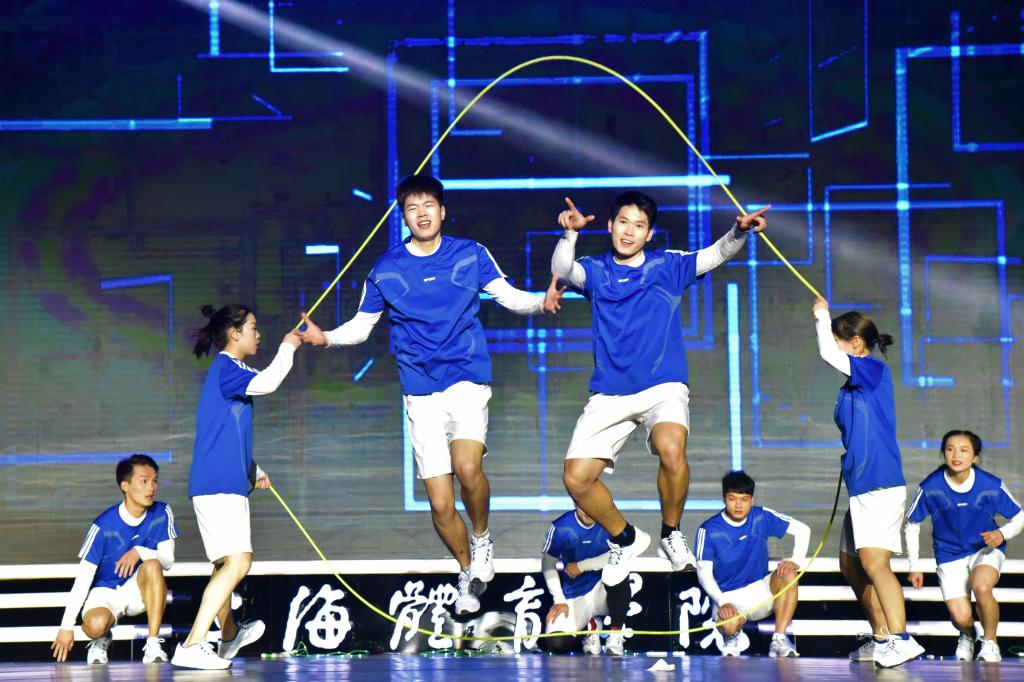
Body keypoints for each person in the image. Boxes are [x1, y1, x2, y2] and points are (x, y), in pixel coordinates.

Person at [299, 174, 561, 615]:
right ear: (404, 217)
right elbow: (362, 326)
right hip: (420, 391)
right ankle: (467, 571)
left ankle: (481, 539)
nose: (421, 214)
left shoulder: (470, 254)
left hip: (466, 379)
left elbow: (508, 296)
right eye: (411, 208)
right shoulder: (386, 269)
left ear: (442, 211)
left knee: (468, 467)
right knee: (440, 504)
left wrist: (541, 302)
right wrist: (326, 338)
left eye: (428, 206)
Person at [551, 192, 768, 585]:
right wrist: (570, 235)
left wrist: (739, 232)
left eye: (638, 225)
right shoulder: (596, 270)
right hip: (610, 392)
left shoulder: (667, 265)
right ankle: (626, 538)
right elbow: (563, 270)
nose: (628, 231)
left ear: (649, 234)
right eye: (622, 222)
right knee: (576, 479)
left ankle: (671, 533)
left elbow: (714, 255)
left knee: (671, 448)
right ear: (610, 225)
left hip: (662, 384)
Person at [171, 304, 303, 670]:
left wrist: (253, 468)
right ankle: (192, 644)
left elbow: (226, 432)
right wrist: (289, 346)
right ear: (234, 333)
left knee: (225, 566)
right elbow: (269, 382)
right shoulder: (229, 368)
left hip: (223, 481)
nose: (258, 334)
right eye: (253, 328)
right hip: (217, 484)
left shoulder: (228, 372)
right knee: (239, 561)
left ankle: (228, 636)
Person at [812, 298, 923, 667]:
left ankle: (901, 638)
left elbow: (827, 354)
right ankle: (881, 636)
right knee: (850, 563)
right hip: (861, 486)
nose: (834, 345)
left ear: (856, 343)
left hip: (879, 483)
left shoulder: (872, 369)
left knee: (875, 563)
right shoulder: (851, 386)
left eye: (838, 339)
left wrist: (821, 314)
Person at [905, 429, 1024, 662]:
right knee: (961, 617)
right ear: (943, 453)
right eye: (950, 449)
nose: (956, 455)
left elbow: (1020, 516)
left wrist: (1001, 534)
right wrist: (914, 566)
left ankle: (990, 642)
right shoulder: (931, 487)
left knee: (982, 587)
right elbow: (912, 524)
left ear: (975, 457)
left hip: (984, 550)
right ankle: (968, 635)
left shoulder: (990, 485)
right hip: (949, 555)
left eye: (963, 450)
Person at [50, 454, 177, 665]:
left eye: (154, 481)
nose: (152, 488)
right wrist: (66, 627)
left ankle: (153, 643)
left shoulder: (162, 512)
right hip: (106, 592)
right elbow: (83, 579)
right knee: (95, 625)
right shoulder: (103, 526)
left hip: (139, 589)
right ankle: (102, 637)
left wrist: (140, 551)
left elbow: (168, 561)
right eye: (144, 481)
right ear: (125, 486)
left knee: (153, 564)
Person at [694, 470, 808, 657]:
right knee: (729, 625)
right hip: (728, 596)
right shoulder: (708, 530)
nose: (738, 505)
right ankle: (733, 637)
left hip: (761, 590)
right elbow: (703, 573)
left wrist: (795, 561)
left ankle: (778, 639)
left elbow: (803, 530)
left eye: (744, 499)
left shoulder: (761, 516)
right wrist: (723, 602)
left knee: (789, 574)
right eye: (732, 499)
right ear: (723, 499)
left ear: (752, 500)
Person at [541, 506, 631, 656]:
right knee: (556, 643)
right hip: (575, 595)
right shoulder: (560, 527)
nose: (587, 511)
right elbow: (548, 562)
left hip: (604, 592)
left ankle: (615, 635)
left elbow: (624, 553)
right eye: (582, 505)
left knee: (619, 569)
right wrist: (559, 599)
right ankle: (591, 627)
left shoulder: (612, 521)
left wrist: (582, 566)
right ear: (575, 502)